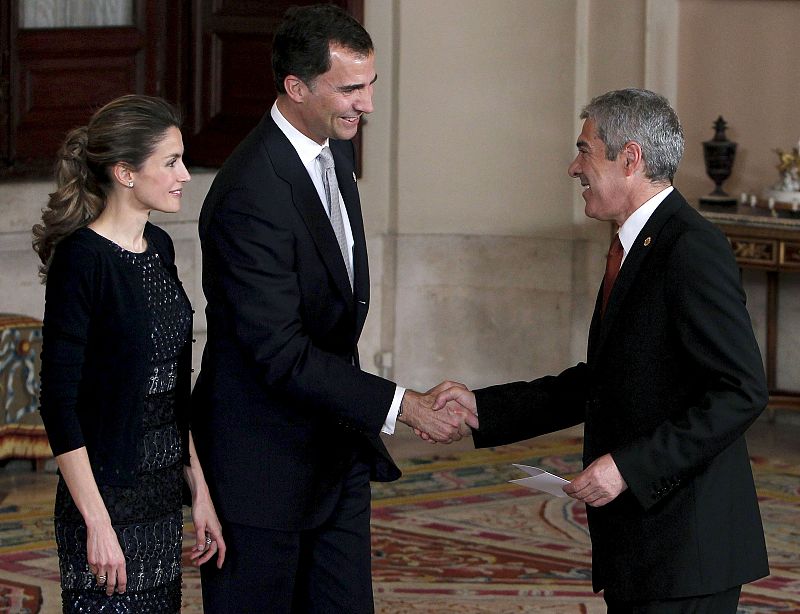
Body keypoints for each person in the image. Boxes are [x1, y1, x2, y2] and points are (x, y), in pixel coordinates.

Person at [435, 88, 770, 613]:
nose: (575, 168)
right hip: (645, 545)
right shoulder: (637, 244)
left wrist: (628, 468)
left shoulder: (690, 248)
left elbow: (741, 391)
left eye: (584, 150)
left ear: (630, 158)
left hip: (688, 548)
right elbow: (604, 380)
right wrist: (485, 409)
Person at [191, 4, 468, 613]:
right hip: (262, 469)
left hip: (335, 457)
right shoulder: (250, 191)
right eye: (349, 89)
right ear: (296, 88)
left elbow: (336, 314)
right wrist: (403, 406)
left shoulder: (333, 152)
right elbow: (281, 353)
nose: (367, 104)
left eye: (370, 84)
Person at [33, 94, 226, 612]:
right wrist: (97, 524)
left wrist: (199, 492)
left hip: (161, 497)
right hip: (104, 499)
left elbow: (172, 392)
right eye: (171, 162)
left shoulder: (159, 247)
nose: (184, 175)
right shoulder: (82, 260)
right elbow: (58, 405)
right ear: (124, 172)